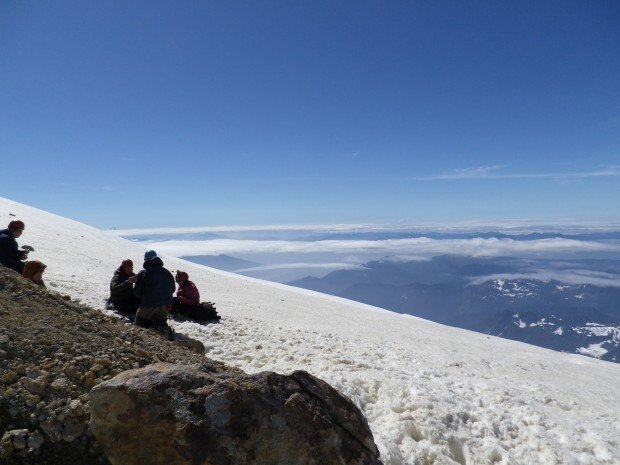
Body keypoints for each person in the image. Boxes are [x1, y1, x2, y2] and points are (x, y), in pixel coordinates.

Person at [133, 250, 175, 331]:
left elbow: (137, 293)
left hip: (147, 305)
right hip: (163, 307)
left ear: (146, 260)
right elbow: (172, 289)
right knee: (161, 324)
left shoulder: (143, 273)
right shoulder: (167, 273)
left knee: (139, 327)